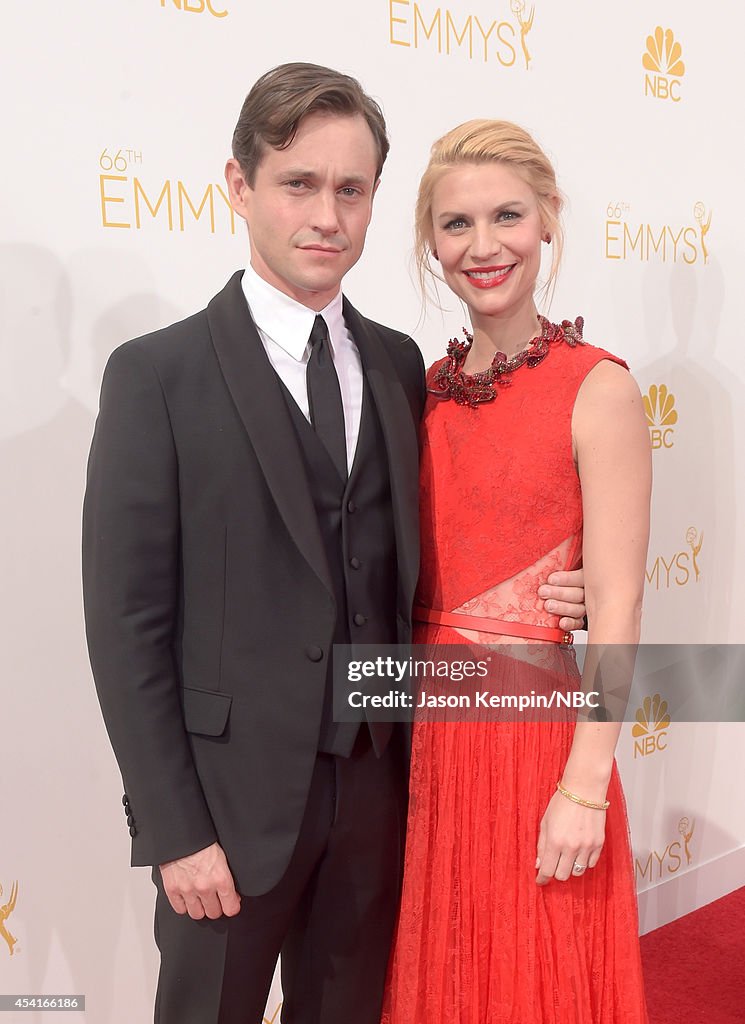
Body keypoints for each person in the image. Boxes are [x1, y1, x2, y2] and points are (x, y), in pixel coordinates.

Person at [82, 66, 587, 1024]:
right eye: (298, 184)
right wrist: (174, 829)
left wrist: (572, 594)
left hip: (381, 799)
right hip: (224, 821)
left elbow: (448, 546)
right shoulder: (158, 376)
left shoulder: (403, 364)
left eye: (350, 190)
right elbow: (125, 625)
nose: (326, 215)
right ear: (240, 186)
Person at [382, 120, 652, 1023]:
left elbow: (615, 603)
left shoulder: (598, 387)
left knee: (534, 980)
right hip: (421, 736)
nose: (482, 244)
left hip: (533, 741)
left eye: (506, 215)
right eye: (455, 224)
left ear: (546, 221)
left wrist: (584, 784)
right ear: (430, 242)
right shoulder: (414, 390)